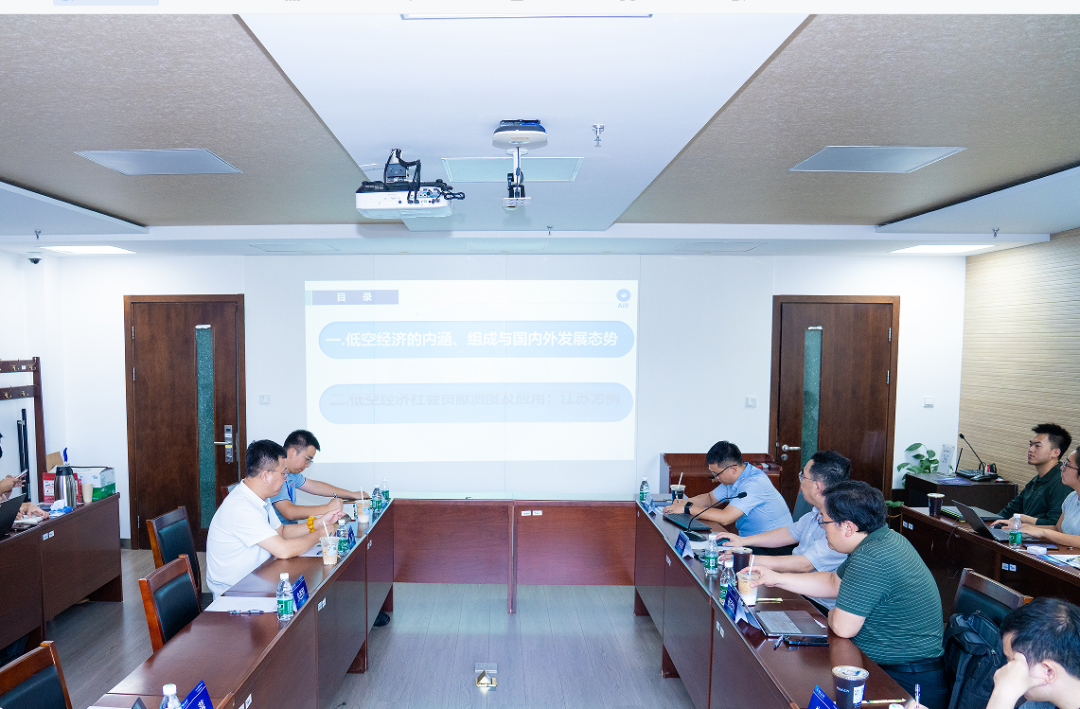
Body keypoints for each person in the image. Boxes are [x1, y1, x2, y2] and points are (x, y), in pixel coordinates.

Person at [750, 480, 947, 708]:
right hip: (885, 667)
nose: (822, 528)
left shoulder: (871, 556)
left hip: (903, 682)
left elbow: (843, 627)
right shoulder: (882, 538)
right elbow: (833, 582)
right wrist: (776, 577)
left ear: (848, 527)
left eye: (824, 521)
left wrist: (835, 612)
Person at [206, 439, 343, 598]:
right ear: (265, 476)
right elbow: (283, 550)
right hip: (236, 594)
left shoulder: (260, 498)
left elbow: (282, 531)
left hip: (261, 577)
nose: (286, 479)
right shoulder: (241, 507)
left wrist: (319, 523)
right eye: (283, 473)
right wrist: (321, 534)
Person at [715, 450, 851, 608]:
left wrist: (749, 559)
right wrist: (743, 541)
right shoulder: (814, 513)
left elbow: (805, 564)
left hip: (817, 604)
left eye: (803, 476)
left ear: (817, 487)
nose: (800, 482)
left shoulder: (839, 526)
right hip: (795, 588)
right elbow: (788, 533)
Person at [662, 440, 792, 548]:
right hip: (750, 541)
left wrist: (687, 508)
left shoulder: (754, 484)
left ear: (733, 469)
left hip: (775, 547)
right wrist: (683, 503)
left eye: (717, 474)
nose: (716, 478)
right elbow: (709, 498)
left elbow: (726, 517)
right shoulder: (737, 478)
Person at [986, 597, 1080, 709]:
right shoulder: (1048, 699)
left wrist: (1002, 694)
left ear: (1049, 672)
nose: (1003, 671)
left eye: (1013, 661)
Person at [268, 430, 369, 524]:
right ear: (292, 453)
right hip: (278, 534)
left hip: (291, 530)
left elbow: (317, 487)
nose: (308, 465)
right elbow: (290, 512)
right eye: (307, 459)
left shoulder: (292, 474)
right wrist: (328, 508)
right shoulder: (276, 474)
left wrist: (352, 494)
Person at [992, 424, 1072, 528]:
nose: (1031, 449)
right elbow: (1011, 510)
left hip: (1037, 537)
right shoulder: (1036, 480)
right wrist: (990, 522)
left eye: (1037, 446)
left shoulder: (1061, 483)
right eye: (1031, 445)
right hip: (1022, 534)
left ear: (1055, 452)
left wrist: (1023, 522)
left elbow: (1055, 525)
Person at [1012, 447, 1080, 548]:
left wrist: (1044, 532)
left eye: (1067, 464)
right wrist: (1027, 527)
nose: (1061, 468)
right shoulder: (1071, 497)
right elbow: (1058, 530)